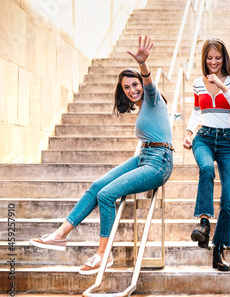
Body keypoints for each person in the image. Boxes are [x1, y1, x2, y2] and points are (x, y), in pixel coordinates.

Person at [29, 36, 174, 275]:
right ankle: (59, 235)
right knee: (97, 186)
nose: (132, 90)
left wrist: (143, 64)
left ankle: (102, 255)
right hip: (144, 157)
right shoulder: (142, 108)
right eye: (126, 88)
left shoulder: (153, 98)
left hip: (160, 161)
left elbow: (148, 82)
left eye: (134, 85)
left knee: (107, 195)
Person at [183, 38, 230, 271]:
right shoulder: (198, 83)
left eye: (217, 58)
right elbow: (197, 111)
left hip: (229, 141)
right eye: (209, 58)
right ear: (204, 59)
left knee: (229, 200)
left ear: (224, 58)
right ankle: (203, 223)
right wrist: (189, 133)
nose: (213, 62)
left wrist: (221, 85)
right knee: (206, 168)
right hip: (205, 138)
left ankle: (219, 249)